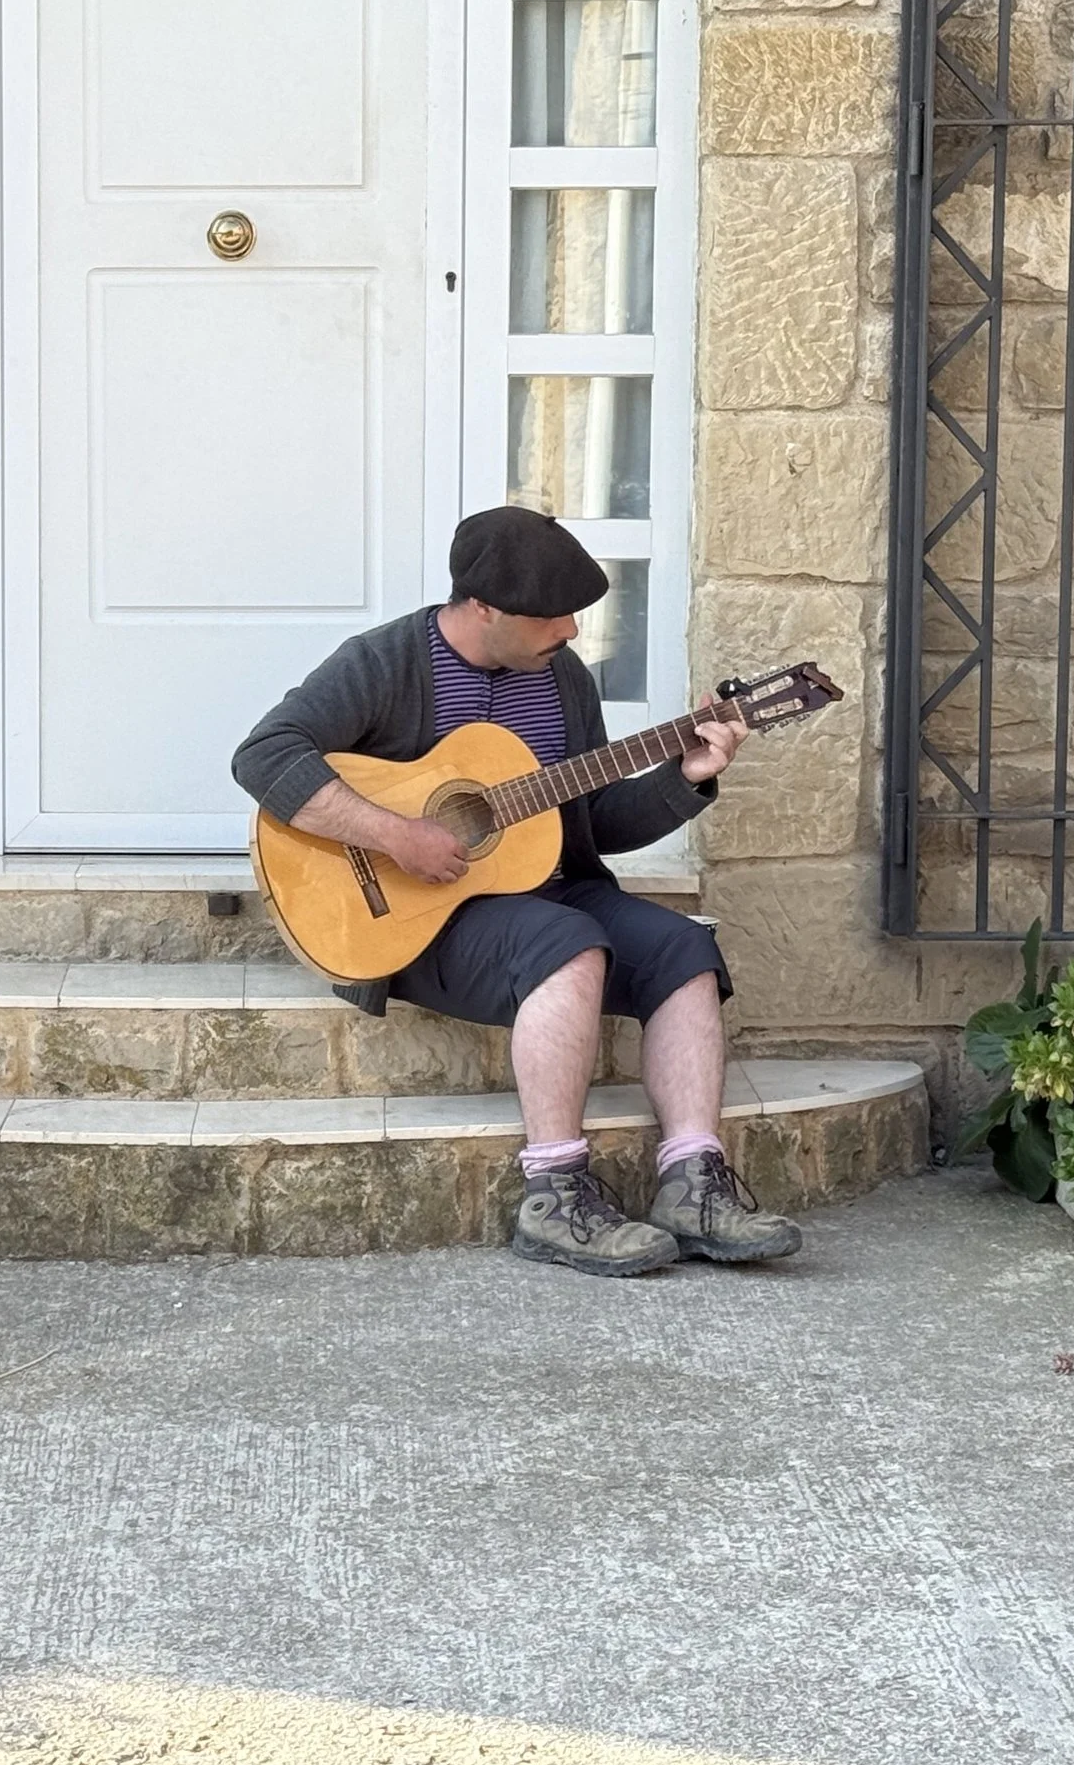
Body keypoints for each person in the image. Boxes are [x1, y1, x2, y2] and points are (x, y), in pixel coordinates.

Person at [231, 505, 801, 1278]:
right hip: (421, 920)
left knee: (683, 948)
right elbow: (265, 756)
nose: (570, 631)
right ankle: (554, 1194)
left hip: (548, 894)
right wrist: (397, 835)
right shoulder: (387, 662)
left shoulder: (560, 679)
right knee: (566, 946)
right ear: (484, 609)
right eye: (552, 616)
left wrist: (686, 777)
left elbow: (592, 818)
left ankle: (692, 1181)